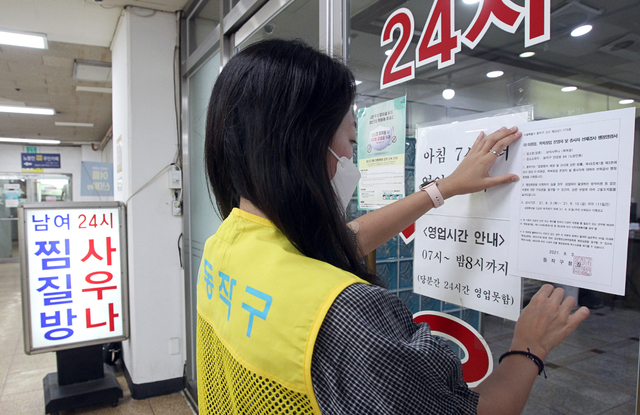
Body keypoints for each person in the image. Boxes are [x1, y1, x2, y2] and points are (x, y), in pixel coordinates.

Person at [197, 38, 590, 415]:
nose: (351, 154)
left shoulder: (226, 245)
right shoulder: (347, 315)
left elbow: (344, 242)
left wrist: (446, 187)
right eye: (350, 138)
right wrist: (528, 346)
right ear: (306, 146)